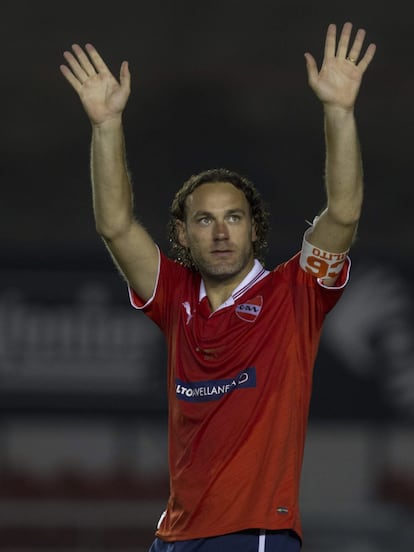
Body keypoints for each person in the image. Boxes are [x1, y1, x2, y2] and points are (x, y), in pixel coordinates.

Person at [60, 22, 376, 552]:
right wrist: (106, 124)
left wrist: (339, 112)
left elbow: (343, 212)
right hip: (174, 536)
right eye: (205, 220)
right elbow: (115, 225)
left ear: (255, 228)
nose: (222, 231)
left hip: (252, 534)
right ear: (183, 234)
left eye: (234, 217)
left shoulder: (295, 294)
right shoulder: (174, 297)